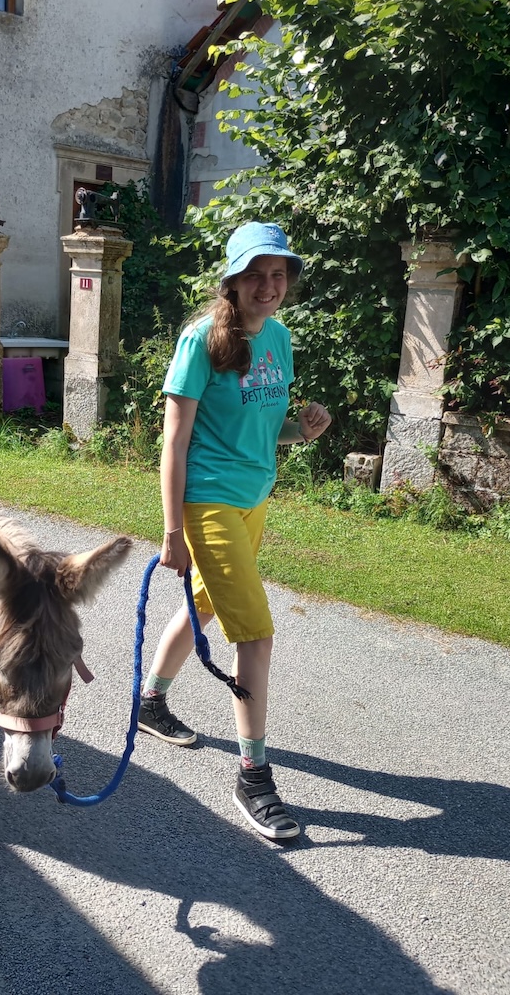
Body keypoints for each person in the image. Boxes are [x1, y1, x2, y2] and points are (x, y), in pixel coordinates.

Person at [137, 221, 332, 841]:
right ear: (233, 280)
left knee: (205, 604)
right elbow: (175, 441)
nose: (268, 286)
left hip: (254, 501)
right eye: (256, 274)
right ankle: (253, 775)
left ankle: (151, 702)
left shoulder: (279, 338)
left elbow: (256, 428)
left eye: (278, 275)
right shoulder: (201, 341)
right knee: (257, 634)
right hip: (209, 504)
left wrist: (301, 432)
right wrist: (172, 530)